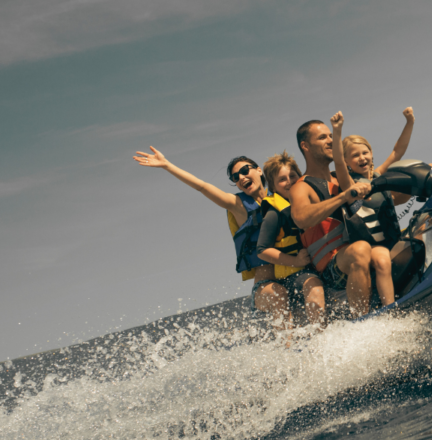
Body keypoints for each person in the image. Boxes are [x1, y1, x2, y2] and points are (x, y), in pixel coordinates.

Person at [131, 147, 291, 323]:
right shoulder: (238, 205)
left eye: (245, 171)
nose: (242, 177)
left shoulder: (281, 197)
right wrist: (167, 165)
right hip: (266, 289)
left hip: (292, 276)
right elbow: (202, 186)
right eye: (235, 178)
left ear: (259, 170)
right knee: (279, 296)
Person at [288, 118, 374, 316]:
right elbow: (301, 218)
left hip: (359, 254)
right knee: (360, 250)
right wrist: (344, 196)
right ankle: (362, 323)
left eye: (330, 136)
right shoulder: (301, 187)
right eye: (322, 137)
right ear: (306, 146)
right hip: (331, 269)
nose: (330, 141)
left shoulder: (341, 177)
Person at [332, 107, 416, 307]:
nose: (362, 158)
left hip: (394, 241)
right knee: (382, 258)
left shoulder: (379, 176)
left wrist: (409, 122)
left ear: (371, 153)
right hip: (370, 248)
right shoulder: (349, 185)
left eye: (365, 152)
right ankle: (389, 309)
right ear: (347, 161)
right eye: (355, 155)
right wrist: (337, 131)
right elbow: (337, 162)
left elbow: (397, 151)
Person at [257, 151, 326, 326]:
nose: (289, 181)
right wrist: (295, 261)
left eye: (293, 176)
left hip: (320, 262)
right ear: (272, 187)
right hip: (295, 274)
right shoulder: (274, 213)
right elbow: (262, 250)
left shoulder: (309, 200)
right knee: (314, 285)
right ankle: (321, 336)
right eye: (282, 179)